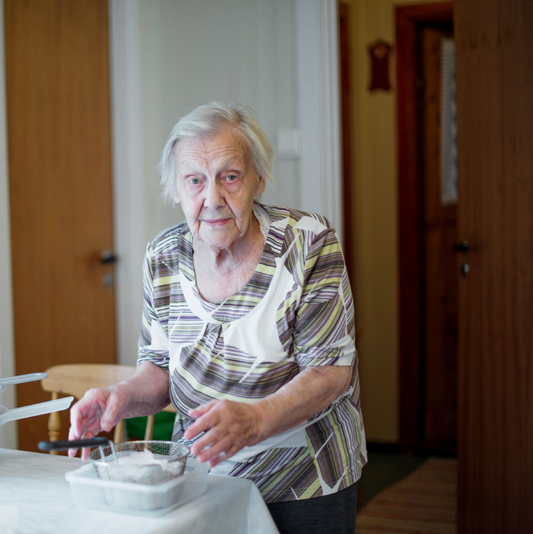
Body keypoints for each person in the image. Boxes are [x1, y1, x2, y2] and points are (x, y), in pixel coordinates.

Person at [68, 102, 366, 534]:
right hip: (199, 474)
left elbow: (330, 372)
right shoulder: (163, 257)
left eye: (230, 176)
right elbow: (159, 371)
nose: (212, 199)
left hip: (303, 476)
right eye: (195, 181)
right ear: (176, 189)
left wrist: (256, 420)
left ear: (257, 179)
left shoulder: (308, 243)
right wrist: (122, 396)